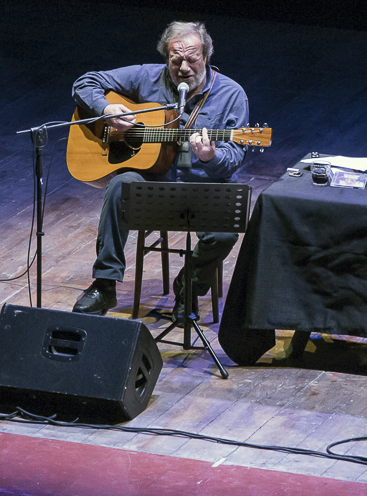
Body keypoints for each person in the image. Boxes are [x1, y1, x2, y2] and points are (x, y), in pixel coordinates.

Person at [71, 21, 249, 320]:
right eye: (175, 59)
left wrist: (211, 156)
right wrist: (105, 110)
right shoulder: (146, 76)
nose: (183, 68)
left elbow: (233, 158)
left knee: (225, 231)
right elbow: (84, 82)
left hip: (203, 189)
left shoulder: (231, 94)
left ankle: (189, 289)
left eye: (192, 59)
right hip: (154, 185)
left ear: (206, 56)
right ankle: (104, 285)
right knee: (120, 185)